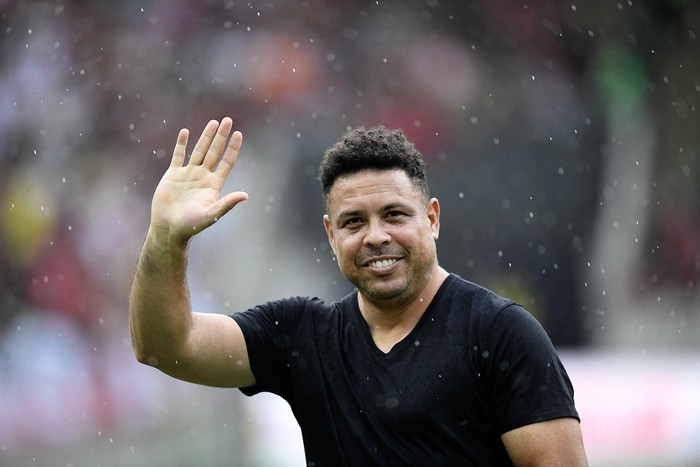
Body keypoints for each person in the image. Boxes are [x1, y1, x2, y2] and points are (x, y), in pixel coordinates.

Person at [129, 117, 588, 466]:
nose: (375, 236)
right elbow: (166, 346)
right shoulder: (303, 336)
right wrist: (165, 239)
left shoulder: (499, 335)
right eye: (354, 222)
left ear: (431, 219)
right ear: (331, 235)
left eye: (394, 215)